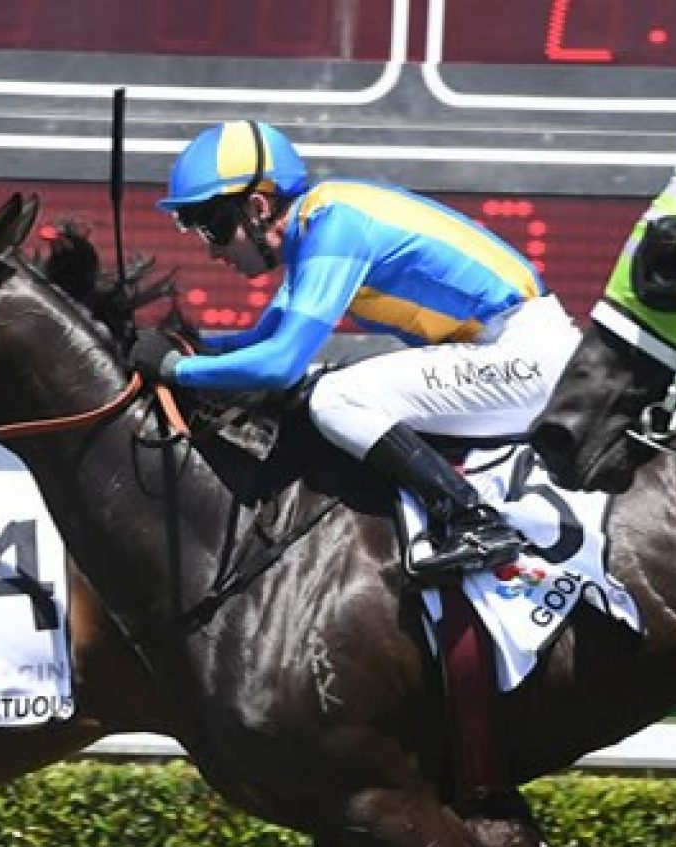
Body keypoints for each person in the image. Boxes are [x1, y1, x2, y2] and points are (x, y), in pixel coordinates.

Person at [131, 121, 583, 579]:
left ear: (258, 206)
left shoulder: (336, 227)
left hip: (526, 356)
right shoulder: (316, 228)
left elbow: (279, 365)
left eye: (213, 228)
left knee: (336, 397)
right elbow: (259, 342)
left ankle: (474, 521)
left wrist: (177, 368)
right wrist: (186, 348)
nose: (213, 253)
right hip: (505, 354)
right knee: (322, 388)